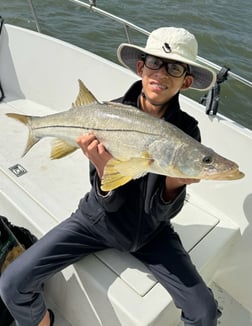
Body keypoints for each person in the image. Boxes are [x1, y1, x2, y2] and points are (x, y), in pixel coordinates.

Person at [0, 27, 220, 326]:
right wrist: (102, 167)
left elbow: (162, 210)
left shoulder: (187, 131)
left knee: (204, 311)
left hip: (152, 232)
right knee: (12, 282)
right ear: (141, 67)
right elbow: (108, 204)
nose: (162, 73)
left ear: (187, 81)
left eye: (175, 67)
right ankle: (43, 322)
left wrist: (174, 185)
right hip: (95, 222)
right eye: (154, 62)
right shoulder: (103, 114)